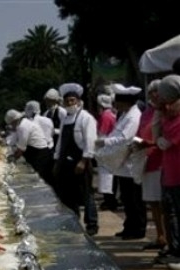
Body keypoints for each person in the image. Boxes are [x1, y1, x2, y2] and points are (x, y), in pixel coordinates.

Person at [95, 84, 147, 240]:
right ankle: (129, 226)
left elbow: (125, 138)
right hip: (122, 163)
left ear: (125, 102)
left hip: (130, 162)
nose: (115, 105)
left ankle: (137, 228)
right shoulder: (125, 115)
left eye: (117, 102)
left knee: (134, 199)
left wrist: (105, 142)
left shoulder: (133, 116)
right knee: (126, 198)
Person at [53, 83, 99, 236]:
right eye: (67, 101)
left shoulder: (86, 118)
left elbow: (90, 140)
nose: (70, 103)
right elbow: (61, 142)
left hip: (81, 161)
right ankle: (73, 221)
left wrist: (84, 161)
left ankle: (91, 223)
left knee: (86, 194)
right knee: (69, 194)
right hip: (66, 163)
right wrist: (56, 159)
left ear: (79, 101)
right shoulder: (66, 118)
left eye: (73, 100)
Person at [131, 80, 167, 251]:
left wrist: (149, 143)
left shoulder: (165, 111)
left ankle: (166, 237)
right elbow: (140, 132)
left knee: (163, 203)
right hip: (147, 160)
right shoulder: (146, 112)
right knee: (152, 202)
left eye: (157, 91)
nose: (154, 94)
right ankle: (160, 236)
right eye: (151, 91)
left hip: (160, 161)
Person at [154, 74, 180, 270]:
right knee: (171, 214)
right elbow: (158, 137)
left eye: (171, 103)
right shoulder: (166, 118)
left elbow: (164, 142)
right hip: (170, 174)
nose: (167, 108)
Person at [4, 109, 54, 186]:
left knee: (42, 179)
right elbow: (15, 140)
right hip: (38, 151)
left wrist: (13, 157)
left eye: (11, 123)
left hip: (39, 153)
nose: (12, 125)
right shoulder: (23, 123)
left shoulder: (23, 126)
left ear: (14, 120)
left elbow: (21, 147)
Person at [95, 93, 119, 211]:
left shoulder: (105, 115)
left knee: (106, 177)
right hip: (111, 149)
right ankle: (111, 200)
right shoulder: (112, 114)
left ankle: (109, 201)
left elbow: (102, 134)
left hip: (106, 149)